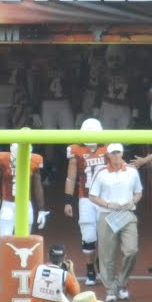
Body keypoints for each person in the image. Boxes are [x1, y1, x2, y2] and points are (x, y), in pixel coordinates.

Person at [89, 143, 142, 302]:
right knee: (107, 255)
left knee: (131, 250)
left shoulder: (132, 172)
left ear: (122, 153)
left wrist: (133, 200)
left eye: (118, 152)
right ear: (108, 155)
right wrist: (107, 204)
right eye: (113, 153)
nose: (116, 156)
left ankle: (120, 283)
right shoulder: (101, 173)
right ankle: (111, 288)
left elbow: (138, 192)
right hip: (107, 215)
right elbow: (93, 196)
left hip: (127, 214)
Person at [64, 120, 107, 286]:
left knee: (105, 235)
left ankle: (102, 266)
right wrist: (68, 201)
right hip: (86, 198)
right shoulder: (76, 150)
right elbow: (71, 177)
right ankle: (90, 269)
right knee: (88, 236)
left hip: (105, 198)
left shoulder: (107, 148)